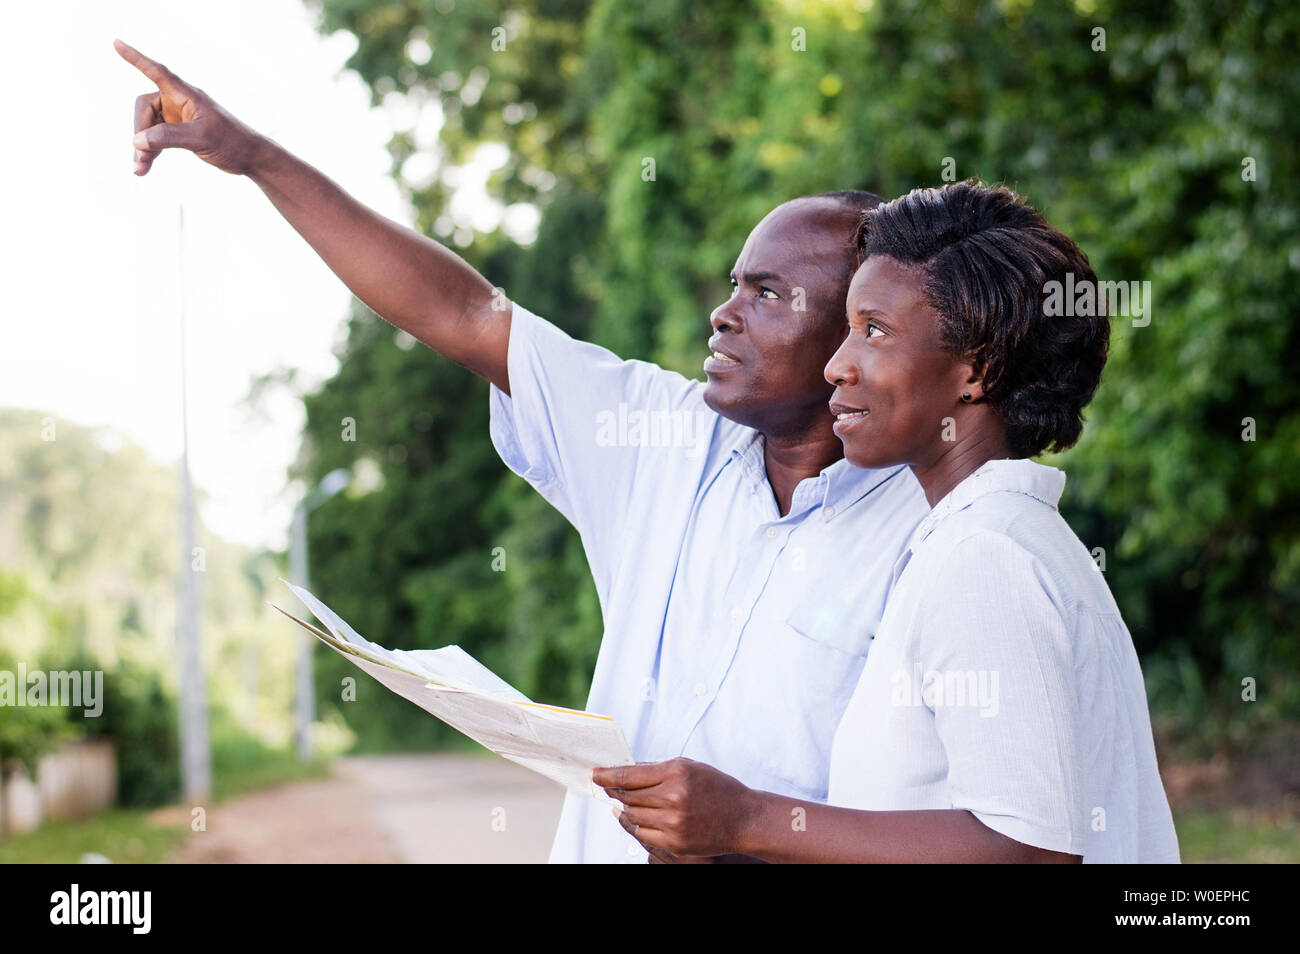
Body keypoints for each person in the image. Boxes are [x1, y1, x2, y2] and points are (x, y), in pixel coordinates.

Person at [116, 39, 931, 863]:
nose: (724, 314)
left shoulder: (936, 536)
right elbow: (466, 315)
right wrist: (251, 155)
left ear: (860, 332)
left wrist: (748, 833)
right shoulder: (660, 437)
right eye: (731, 285)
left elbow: (969, 832)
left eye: (766, 294)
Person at [596, 182, 1181, 864]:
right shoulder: (989, 541)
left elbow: (1030, 850)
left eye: (873, 331)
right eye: (846, 329)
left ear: (976, 369)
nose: (838, 365)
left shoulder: (985, 559)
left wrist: (747, 819)